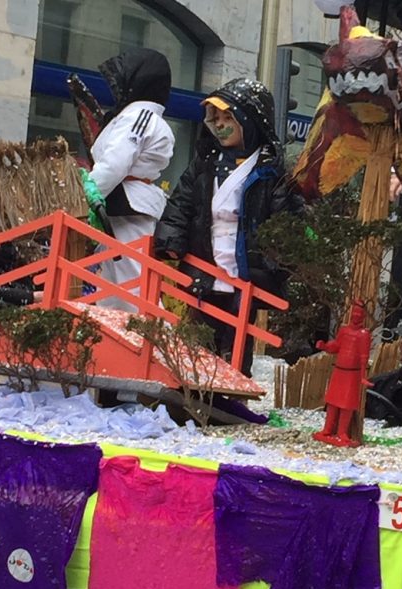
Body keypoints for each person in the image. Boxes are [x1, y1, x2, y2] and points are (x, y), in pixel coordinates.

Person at [155, 78, 303, 376]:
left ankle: (232, 391)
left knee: (235, 340)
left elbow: (284, 221)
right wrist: (170, 239)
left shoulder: (270, 170)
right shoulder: (204, 163)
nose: (220, 126)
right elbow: (182, 202)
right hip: (205, 263)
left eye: (228, 118)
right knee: (198, 336)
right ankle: (192, 391)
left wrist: (276, 261)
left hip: (244, 269)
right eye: (216, 119)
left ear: (248, 121)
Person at [87, 48, 175, 313]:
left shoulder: (140, 116)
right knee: (114, 281)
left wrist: (87, 192)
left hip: (128, 203)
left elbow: (115, 162)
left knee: (132, 280)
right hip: (120, 203)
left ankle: (157, 342)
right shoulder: (137, 115)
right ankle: (119, 340)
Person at [313, 301, 371, 447]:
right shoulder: (344, 330)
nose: (356, 315)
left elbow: (364, 356)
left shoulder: (364, 335)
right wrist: (325, 346)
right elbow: (337, 346)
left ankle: (342, 432)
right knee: (332, 401)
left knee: (347, 404)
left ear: (363, 316)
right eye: (355, 312)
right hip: (339, 370)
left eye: (359, 313)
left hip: (353, 374)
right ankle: (327, 429)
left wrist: (363, 376)